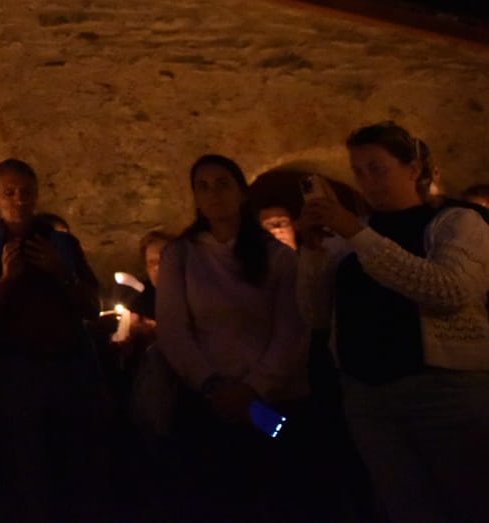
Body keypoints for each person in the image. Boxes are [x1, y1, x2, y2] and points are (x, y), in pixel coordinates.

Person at [298, 122, 489, 522]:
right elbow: (316, 314)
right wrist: (314, 254)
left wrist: (352, 231)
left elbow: (448, 290)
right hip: (369, 399)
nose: (367, 181)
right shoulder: (355, 234)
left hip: (444, 393)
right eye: (359, 171)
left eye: (377, 168)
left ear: (413, 168)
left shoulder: (459, 222)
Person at [155, 155, 306, 522]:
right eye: (202, 186)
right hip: (209, 401)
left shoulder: (278, 257)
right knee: (219, 498)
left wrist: (253, 388)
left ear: (241, 192)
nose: (213, 194)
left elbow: (291, 330)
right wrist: (211, 385)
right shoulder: (182, 255)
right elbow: (174, 329)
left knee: (278, 489)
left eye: (222, 183)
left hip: (268, 403)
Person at [0, 158, 106, 523]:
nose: (19, 200)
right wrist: (5, 281)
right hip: (13, 378)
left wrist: (60, 273)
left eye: (26, 192)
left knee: (72, 471)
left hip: (66, 372)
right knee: (24, 475)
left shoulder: (63, 246)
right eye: (10, 193)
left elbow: (91, 304)